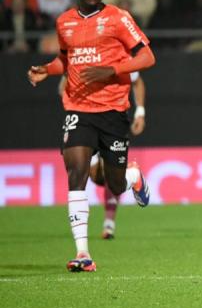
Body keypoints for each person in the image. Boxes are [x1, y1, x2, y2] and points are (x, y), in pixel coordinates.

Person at [27, 0, 154, 273]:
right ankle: (82, 253)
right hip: (78, 109)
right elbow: (65, 60)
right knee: (76, 173)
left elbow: (148, 57)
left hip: (112, 111)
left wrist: (112, 70)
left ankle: (132, 177)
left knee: (112, 183)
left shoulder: (118, 17)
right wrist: (47, 69)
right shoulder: (64, 22)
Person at [58, 72, 146, 239]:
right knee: (96, 177)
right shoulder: (78, 55)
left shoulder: (115, 52)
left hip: (111, 122)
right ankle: (132, 175)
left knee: (112, 179)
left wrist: (140, 111)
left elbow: (137, 80)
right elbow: (63, 86)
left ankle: (109, 224)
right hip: (85, 122)